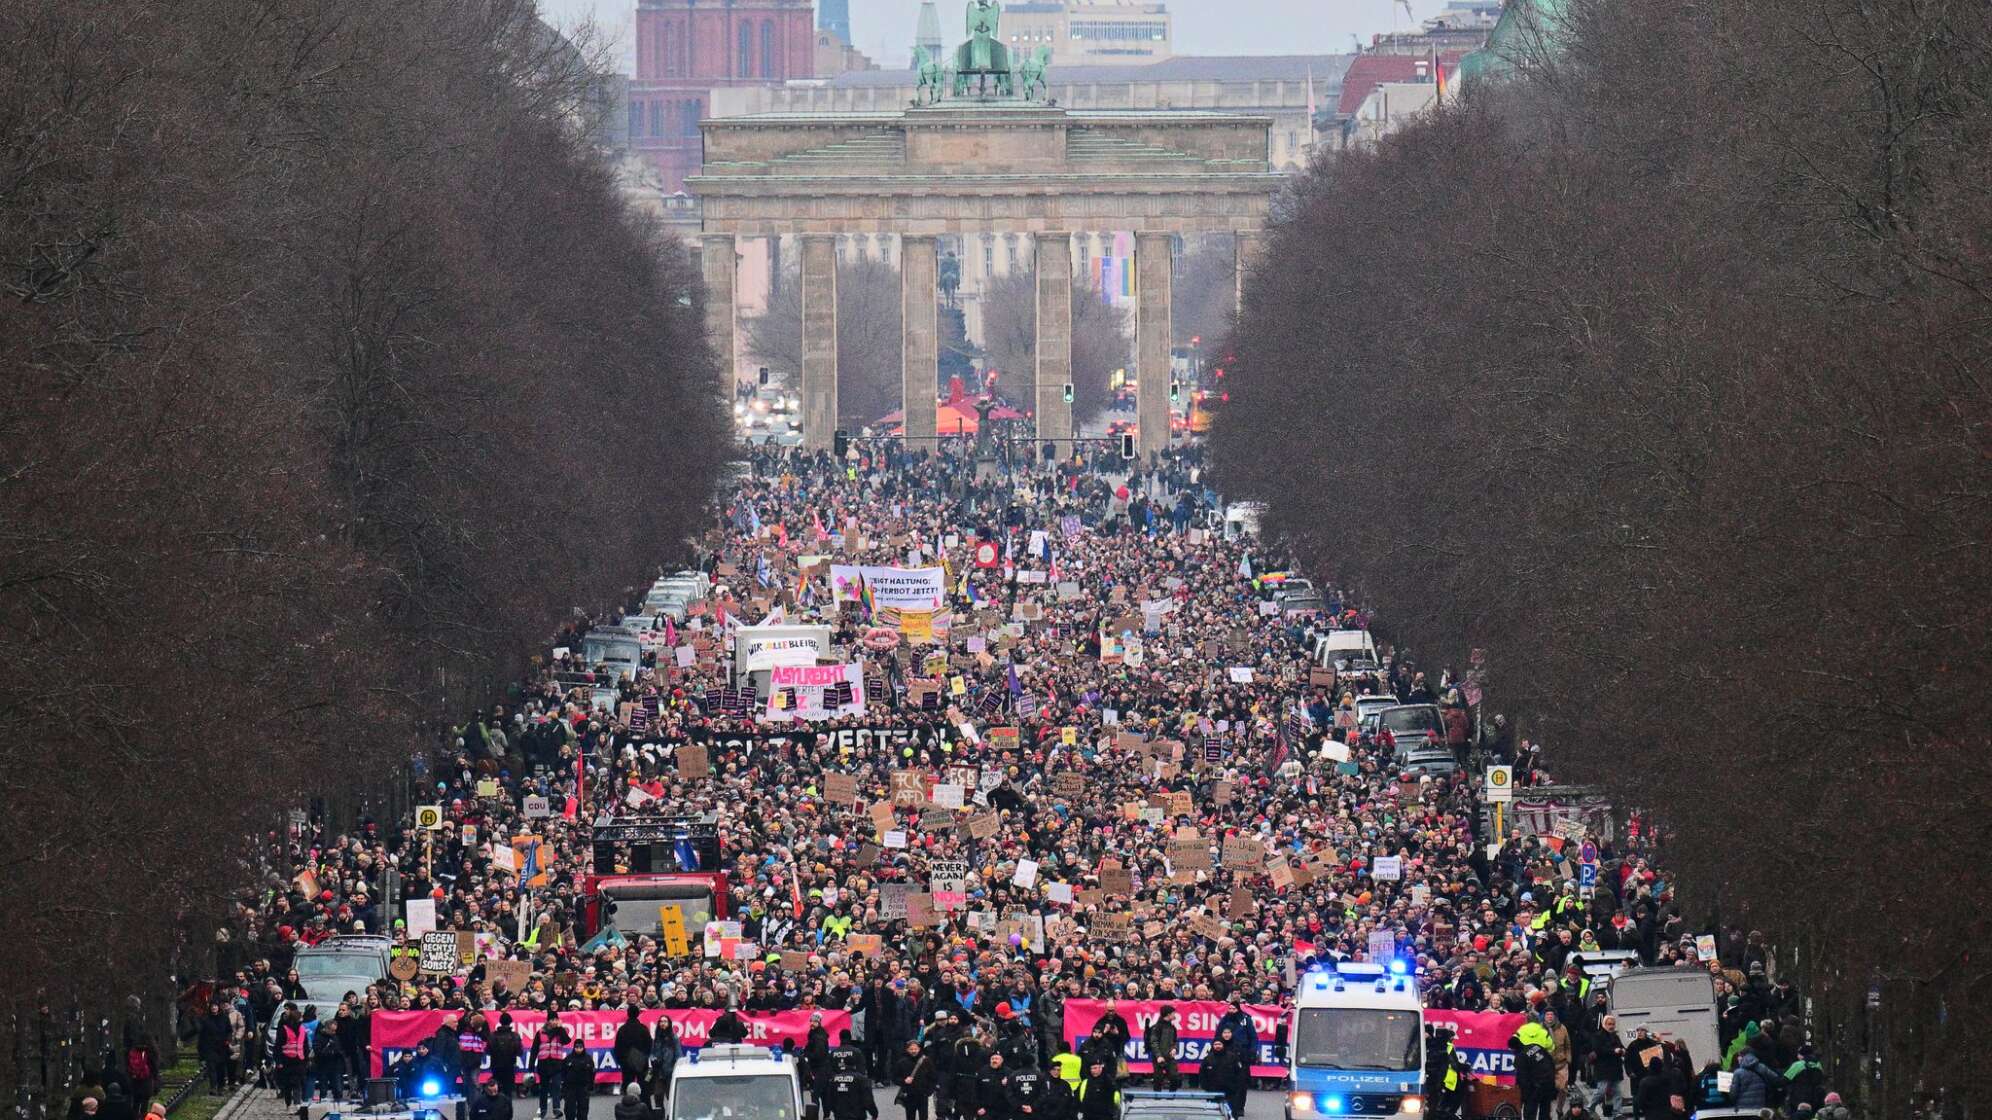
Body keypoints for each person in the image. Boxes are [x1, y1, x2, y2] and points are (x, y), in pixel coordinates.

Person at [1512, 1019, 1560, 1120]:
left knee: (1530, 1112)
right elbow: (1550, 1061)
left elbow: (1522, 1077)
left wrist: (1525, 1093)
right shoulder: (1538, 1047)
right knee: (1545, 1111)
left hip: (1534, 1087)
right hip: (1547, 1083)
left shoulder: (1521, 1056)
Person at [1586, 1015, 1626, 1120]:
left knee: (1617, 1092)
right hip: (1603, 1068)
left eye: (1613, 1024)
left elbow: (1621, 1046)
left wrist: (1622, 1050)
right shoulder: (1598, 1036)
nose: (1611, 1026)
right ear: (1604, 1024)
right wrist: (1613, 1051)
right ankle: (1590, 1106)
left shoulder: (1615, 1036)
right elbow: (1598, 1050)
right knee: (1602, 1090)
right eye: (1609, 1024)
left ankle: (1617, 1112)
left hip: (1615, 1068)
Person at [827, 1050, 879, 1120]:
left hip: (840, 1116)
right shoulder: (861, 1079)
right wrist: (874, 1114)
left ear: (844, 1064)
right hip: (858, 1116)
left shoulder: (834, 1079)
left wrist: (835, 1111)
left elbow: (830, 1099)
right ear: (855, 1065)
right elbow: (868, 1100)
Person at [533, 1022, 570, 1119]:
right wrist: (531, 1064)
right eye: (552, 1019)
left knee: (556, 1086)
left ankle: (556, 1108)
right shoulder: (540, 1032)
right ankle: (543, 1109)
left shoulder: (561, 1031)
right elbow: (534, 1049)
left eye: (555, 1019)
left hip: (556, 1063)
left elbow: (567, 1041)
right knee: (543, 1088)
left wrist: (560, 1028)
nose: (554, 1021)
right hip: (543, 1063)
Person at [614, 1007, 652, 1098]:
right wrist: (644, 1058)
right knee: (644, 1086)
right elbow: (649, 1045)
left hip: (627, 1063)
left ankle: (628, 1106)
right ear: (638, 1014)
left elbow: (617, 1047)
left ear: (628, 1014)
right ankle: (645, 1107)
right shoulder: (643, 1029)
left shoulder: (622, 1030)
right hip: (641, 1062)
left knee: (627, 1087)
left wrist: (622, 1061)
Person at [895, 1040, 937, 1120]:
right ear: (907, 1050)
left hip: (923, 1095)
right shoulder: (901, 1062)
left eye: (916, 1049)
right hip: (909, 1095)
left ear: (919, 1049)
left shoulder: (926, 1061)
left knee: (924, 1117)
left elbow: (933, 1077)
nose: (913, 1051)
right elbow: (894, 1077)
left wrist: (929, 1091)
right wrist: (904, 1081)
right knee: (910, 1116)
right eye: (911, 1049)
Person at [1142, 1006, 1179, 1092]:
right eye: (1173, 1013)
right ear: (1168, 1014)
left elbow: (1175, 1041)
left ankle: (1172, 1095)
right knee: (1158, 1079)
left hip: (1170, 1057)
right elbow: (1154, 1042)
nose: (1175, 1015)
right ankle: (1156, 1097)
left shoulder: (1172, 1027)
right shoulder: (1157, 1027)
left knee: (1175, 1077)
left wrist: (1174, 1049)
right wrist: (1158, 1056)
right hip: (1158, 1057)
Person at [648, 1016, 681, 1109]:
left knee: (671, 1096)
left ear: (669, 1023)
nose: (663, 1023)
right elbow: (652, 1053)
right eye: (661, 1021)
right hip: (658, 1072)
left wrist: (676, 1068)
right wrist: (654, 1060)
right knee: (657, 1096)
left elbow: (678, 1055)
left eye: (665, 1021)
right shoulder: (656, 1038)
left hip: (670, 1072)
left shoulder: (674, 1038)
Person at [490, 1014, 525, 1099]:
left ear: (500, 1022)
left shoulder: (493, 1035)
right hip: (510, 1065)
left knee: (496, 1090)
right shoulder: (515, 1036)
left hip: (496, 1065)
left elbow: (488, 1050)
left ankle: (496, 1109)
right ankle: (507, 1109)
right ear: (510, 1022)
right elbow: (520, 1052)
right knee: (508, 1091)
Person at [563, 1036, 596, 1120]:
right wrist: (564, 1087)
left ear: (583, 1047)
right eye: (576, 1047)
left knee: (583, 1109)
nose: (578, 1049)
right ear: (574, 1048)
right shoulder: (568, 1058)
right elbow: (563, 1073)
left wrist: (591, 1086)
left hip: (583, 1087)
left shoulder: (588, 1059)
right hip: (571, 1087)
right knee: (570, 1110)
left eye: (580, 1047)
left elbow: (592, 1073)